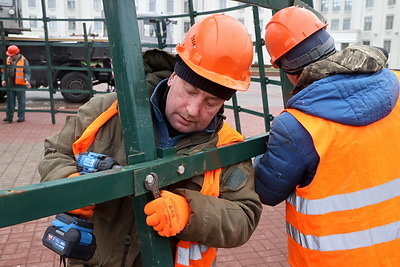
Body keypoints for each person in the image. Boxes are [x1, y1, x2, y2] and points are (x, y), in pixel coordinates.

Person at [39, 14, 262, 267]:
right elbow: (55, 153)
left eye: (211, 102)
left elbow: (244, 216)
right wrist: (69, 184)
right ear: (174, 77)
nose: (192, 109)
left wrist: (191, 212)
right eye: (190, 91)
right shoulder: (108, 110)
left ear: (223, 102)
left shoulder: (228, 146)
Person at [254, 6, 400, 267]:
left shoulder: (297, 126)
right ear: (330, 43)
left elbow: (267, 190)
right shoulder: (398, 84)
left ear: (287, 71)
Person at [1, 45, 31, 123]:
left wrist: (27, 80)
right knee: (10, 101)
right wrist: (3, 79)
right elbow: (5, 71)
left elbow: (27, 72)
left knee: (21, 101)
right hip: (10, 84)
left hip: (20, 84)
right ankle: (9, 116)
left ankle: (21, 117)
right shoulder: (8, 60)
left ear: (16, 54)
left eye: (11, 55)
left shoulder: (24, 61)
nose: (10, 56)